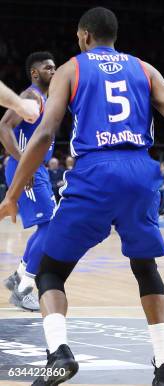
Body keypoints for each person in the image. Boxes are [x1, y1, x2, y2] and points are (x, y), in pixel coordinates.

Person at [0, 7, 164, 385]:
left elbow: (42, 135)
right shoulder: (144, 69)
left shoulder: (71, 69)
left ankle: (59, 354)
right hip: (141, 171)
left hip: (96, 172)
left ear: (84, 35)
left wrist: (13, 191)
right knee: (145, 267)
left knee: (51, 271)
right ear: (113, 36)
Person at [0, 51, 57, 312]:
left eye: (55, 67)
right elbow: (3, 126)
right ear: (35, 73)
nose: (53, 71)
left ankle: (19, 276)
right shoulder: (30, 96)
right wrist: (25, 161)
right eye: (48, 68)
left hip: (35, 168)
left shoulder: (46, 98)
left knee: (49, 225)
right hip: (27, 169)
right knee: (51, 228)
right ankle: (23, 288)